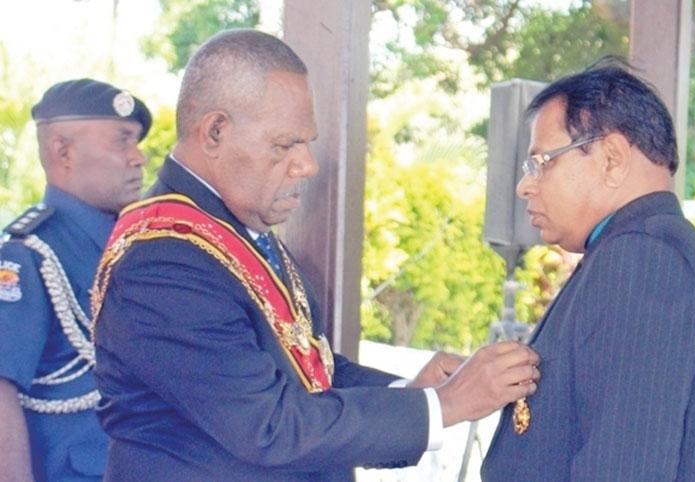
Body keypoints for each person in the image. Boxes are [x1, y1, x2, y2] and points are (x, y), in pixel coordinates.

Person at [90, 29, 540, 482]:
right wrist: (445, 404)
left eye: (307, 143)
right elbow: (269, 427)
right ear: (215, 132)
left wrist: (415, 390)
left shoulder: (230, 230)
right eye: (285, 145)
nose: (307, 164)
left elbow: (306, 372)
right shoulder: (164, 257)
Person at [481, 62, 695, 481]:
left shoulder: (643, 262)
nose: (524, 186)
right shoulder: (666, 250)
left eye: (540, 162)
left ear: (612, 159)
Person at [0, 79, 151, 481]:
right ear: (62, 151)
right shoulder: (28, 257)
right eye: (122, 141)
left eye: (137, 142)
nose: (138, 157)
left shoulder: (137, 249)